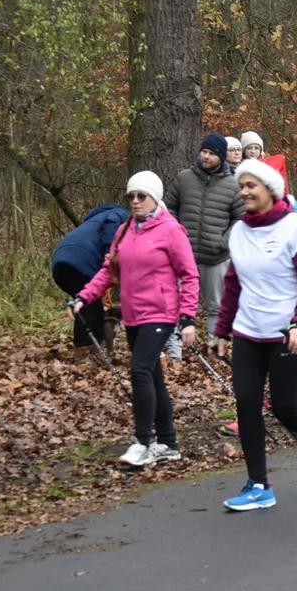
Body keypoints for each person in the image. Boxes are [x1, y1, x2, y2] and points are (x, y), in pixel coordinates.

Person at [212, 159, 297, 511]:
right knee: (247, 403)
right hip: (247, 333)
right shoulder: (238, 231)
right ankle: (258, 485)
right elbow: (233, 285)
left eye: (251, 185)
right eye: (242, 187)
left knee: (285, 407)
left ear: (270, 190)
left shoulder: (294, 226)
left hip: (289, 334)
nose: (244, 192)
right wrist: (222, 330)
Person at [71, 172, 200, 466]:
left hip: (162, 312)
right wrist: (83, 297)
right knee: (153, 376)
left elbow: (189, 274)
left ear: (155, 197)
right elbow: (109, 271)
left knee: (139, 370)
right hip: (134, 314)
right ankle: (168, 443)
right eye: (131, 196)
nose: (135, 201)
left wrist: (188, 316)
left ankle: (142, 441)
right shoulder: (126, 229)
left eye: (141, 195)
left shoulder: (171, 229)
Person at [163, 132, 243, 340]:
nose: (206, 157)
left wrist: (223, 242)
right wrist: (176, 234)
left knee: (216, 306)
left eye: (211, 153)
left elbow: (241, 219)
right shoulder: (184, 178)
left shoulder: (233, 184)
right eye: (204, 152)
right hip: (183, 255)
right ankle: (174, 354)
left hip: (215, 257)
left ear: (221, 157)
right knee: (176, 305)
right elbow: (169, 207)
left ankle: (215, 349)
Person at [51, 203, 129, 355]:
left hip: (61, 260)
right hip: (80, 259)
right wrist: (109, 252)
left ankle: (95, 348)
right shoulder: (118, 212)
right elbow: (112, 221)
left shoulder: (92, 221)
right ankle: (85, 348)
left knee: (92, 308)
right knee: (90, 309)